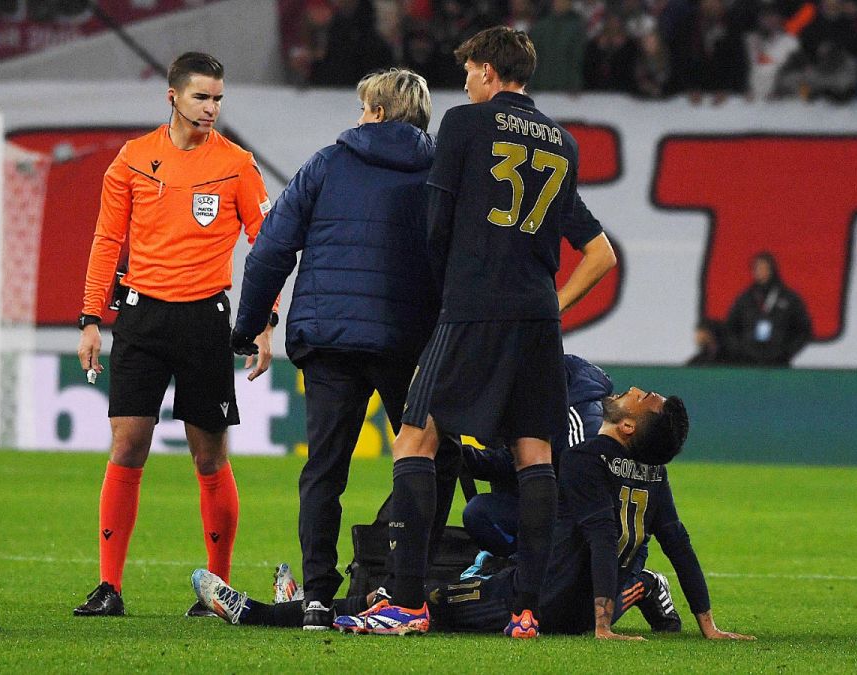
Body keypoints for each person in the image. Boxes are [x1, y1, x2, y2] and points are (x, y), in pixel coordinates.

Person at [345, 26, 618, 639]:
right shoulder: (564, 143)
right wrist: (554, 304)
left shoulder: (466, 126)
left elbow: (437, 223)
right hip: (537, 319)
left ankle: (408, 602)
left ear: (490, 72)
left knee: (414, 439)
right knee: (535, 455)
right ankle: (526, 611)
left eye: (469, 70)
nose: (464, 81)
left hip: (473, 307)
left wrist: (442, 300)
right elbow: (601, 254)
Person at [193, 387, 753, 642]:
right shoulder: (655, 474)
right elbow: (676, 541)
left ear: (628, 427)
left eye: (642, 399)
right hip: (569, 602)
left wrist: (603, 627)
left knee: (409, 603)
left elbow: (603, 538)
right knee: (453, 566)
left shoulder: (587, 461)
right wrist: (707, 623)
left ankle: (265, 615)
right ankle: (303, 604)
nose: (633, 391)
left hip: (536, 602)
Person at [230, 68, 446, 631]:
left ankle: (319, 598)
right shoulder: (442, 173)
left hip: (329, 340)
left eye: (364, 108)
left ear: (375, 111)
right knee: (428, 461)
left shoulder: (326, 164)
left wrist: (250, 323)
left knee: (325, 470)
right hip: (407, 343)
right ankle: (405, 587)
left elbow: (270, 249)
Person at [72, 51, 275, 617]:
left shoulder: (236, 165)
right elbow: (106, 242)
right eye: (201, 98)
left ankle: (219, 590)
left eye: (217, 99)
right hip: (139, 318)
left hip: (205, 321)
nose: (211, 109)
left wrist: (264, 319)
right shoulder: (133, 160)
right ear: (173, 97)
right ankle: (109, 587)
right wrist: (91, 319)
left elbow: (269, 245)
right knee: (127, 444)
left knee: (209, 458)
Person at [460, 354, 613, 558]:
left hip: (574, 518)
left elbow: (586, 492)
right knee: (480, 513)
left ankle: (537, 572)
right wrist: (460, 456)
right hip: (548, 508)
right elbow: (512, 462)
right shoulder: (531, 399)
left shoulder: (580, 419)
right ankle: (520, 571)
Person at [724, 251, 813, 367]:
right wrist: (740, 350)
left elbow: (804, 329)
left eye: (763, 267)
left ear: (772, 269)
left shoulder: (789, 297)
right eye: (757, 268)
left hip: (779, 361)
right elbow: (730, 327)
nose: (760, 271)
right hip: (747, 361)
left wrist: (787, 352)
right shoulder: (745, 298)